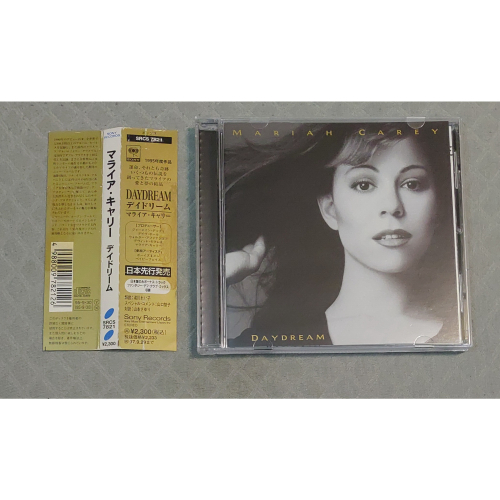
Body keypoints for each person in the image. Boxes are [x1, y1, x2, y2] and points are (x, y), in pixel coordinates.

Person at [224, 123, 458, 347]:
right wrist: (220, 274)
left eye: (412, 184)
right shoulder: (275, 340)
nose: (392, 205)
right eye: (364, 185)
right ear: (330, 209)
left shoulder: (465, 335)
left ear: (438, 207)